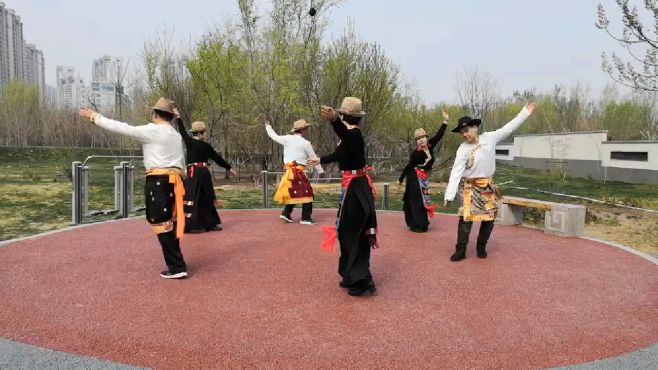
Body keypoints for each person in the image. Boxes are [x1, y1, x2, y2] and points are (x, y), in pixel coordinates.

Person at [79, 98, 189, 279]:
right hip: (175, 180)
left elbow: (123, 128)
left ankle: (177, 267)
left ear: (155, 114)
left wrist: (94, 116)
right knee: (170, 222)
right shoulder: (175, 135)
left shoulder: (153, 131)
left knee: (161, 223)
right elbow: (181, 161)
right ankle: (177, 262)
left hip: (159, 181)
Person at [444, 102, 537, 261]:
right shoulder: (462, 149)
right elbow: (456, 172)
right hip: (469, 187)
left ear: (474, 128)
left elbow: (509, 128)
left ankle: (481, 245)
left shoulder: (490, 137)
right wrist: (449, 195)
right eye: (461, 132)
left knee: (490, 216)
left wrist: (524, 113)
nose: (464, 134)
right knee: (466, 218)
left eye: (466, 130)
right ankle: (461, 250)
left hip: (487, 186)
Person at [308, 97, 378, 297]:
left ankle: (363, 280)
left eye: (341, 115)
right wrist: (319, 160)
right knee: (347, 233)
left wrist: (333, 120)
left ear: (345, 116)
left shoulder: (354, 135)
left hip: (357, 189)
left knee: (354, 234)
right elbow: (339, 154)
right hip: (351, 188)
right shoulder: (349, 138)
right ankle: (350, 275)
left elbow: (344, 135)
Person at [175, 115, 236, 232]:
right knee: (192, 197)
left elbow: (217, 158)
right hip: (195, 173)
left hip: (202, 173)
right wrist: (178, 117)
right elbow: (182, 130)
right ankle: (191, 225)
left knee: (207, 196)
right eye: (205, 132)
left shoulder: (203, 145)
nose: (206, 134)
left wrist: (228, 168)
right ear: (200, 133)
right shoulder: (191, 142)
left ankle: (210, 223)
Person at [398, 108, 449, 232]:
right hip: (414, 176)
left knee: (423, 198)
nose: (421, 140)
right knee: (417, 200)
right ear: (416, 141)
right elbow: (409, 166)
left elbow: (439, 135)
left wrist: (445, 120)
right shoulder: (416, 153)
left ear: (426, 137)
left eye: (423, 137)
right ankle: (419, 225)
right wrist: (401, 178)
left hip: (423, 177)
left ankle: (417, 222)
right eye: (418, 138)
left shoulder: (430, 145)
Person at [265, 119, 324, 224]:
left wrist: (268, 127)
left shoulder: (287, 139)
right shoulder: (306, 143)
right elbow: (313, 158)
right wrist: (320, 171)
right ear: (304, 129)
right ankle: (305, 218)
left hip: (288, 172)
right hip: (298, 172)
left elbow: (274, 136)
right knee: (307, 193)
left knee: (294, 192)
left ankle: (286, 213)